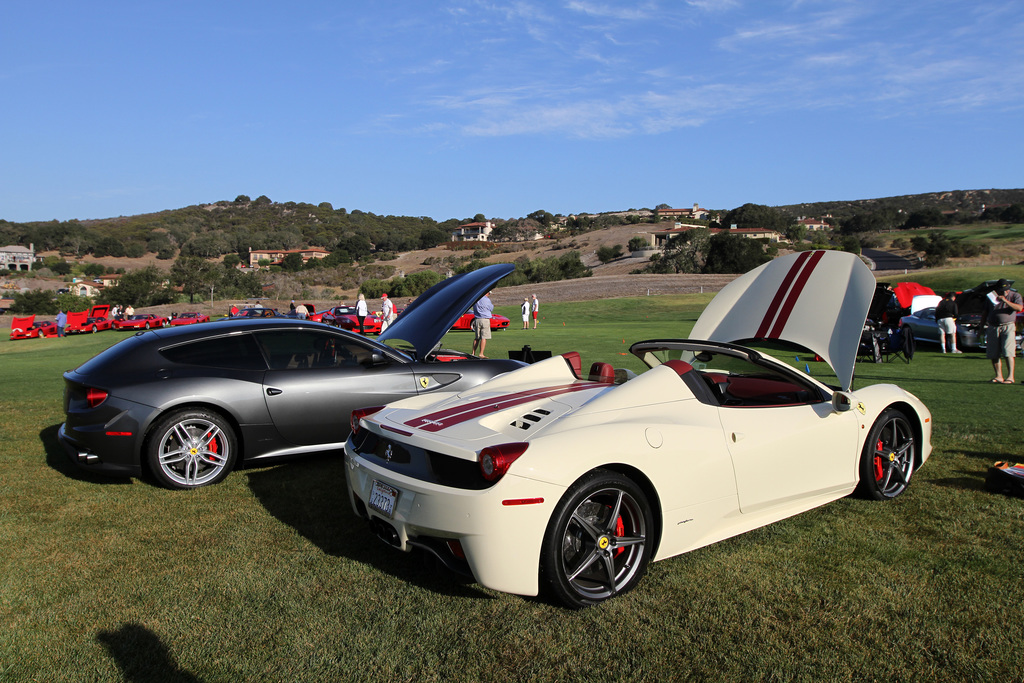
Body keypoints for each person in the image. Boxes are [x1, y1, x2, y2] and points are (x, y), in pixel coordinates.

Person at [986, 279, 1023, 384]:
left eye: (1006, 290)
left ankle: (1010, 377)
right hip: (993, 326)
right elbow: (985, 311)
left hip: (1008, 326)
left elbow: (1019, 308)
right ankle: (998, 376)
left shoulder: (1015, 296)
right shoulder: (991, 297)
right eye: (1002, 290)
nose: (1004, 292)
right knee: (993, 352)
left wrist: (1005, 301)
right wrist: (981, 327)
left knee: (1008, 351)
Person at [471, 291, 494, 358]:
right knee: (484, 337)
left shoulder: (476, 299)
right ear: (487, 293)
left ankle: (473, 352)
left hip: (477, 319)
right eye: (489, 293)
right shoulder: (487, 300)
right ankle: (481, 353)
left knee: (477, 338)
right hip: (485, 319)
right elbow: (491, 308)